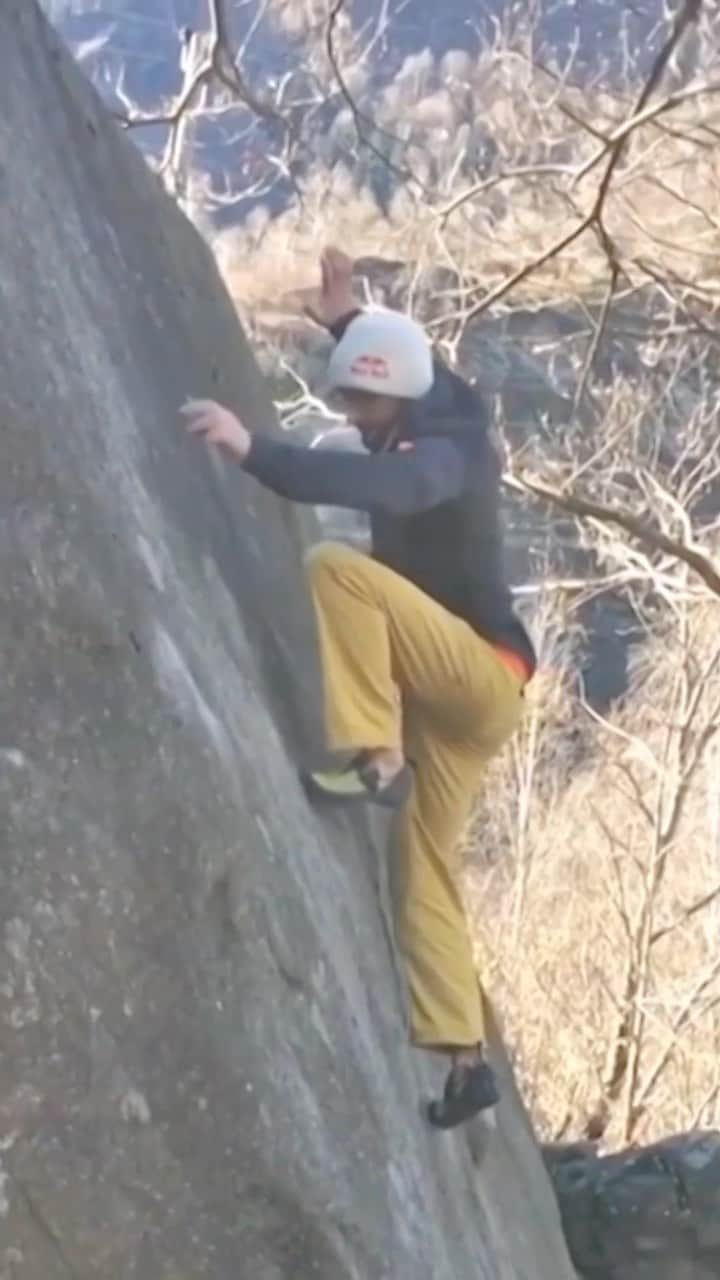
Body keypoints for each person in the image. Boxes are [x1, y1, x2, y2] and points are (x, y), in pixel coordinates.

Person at [181, 247, 536, 1129]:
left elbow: (392, 481)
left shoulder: (440, 457)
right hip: (463, 710)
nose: (355, 416)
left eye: (366, 401)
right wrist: (349, 325)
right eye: (347, 398)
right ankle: (464, 1065)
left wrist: (254, 450)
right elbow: (427, 379)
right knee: (422, 871)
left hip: (474, 676)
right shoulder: (437, 402)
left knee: (337, 566)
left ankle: (378, 758)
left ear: (402, 403)